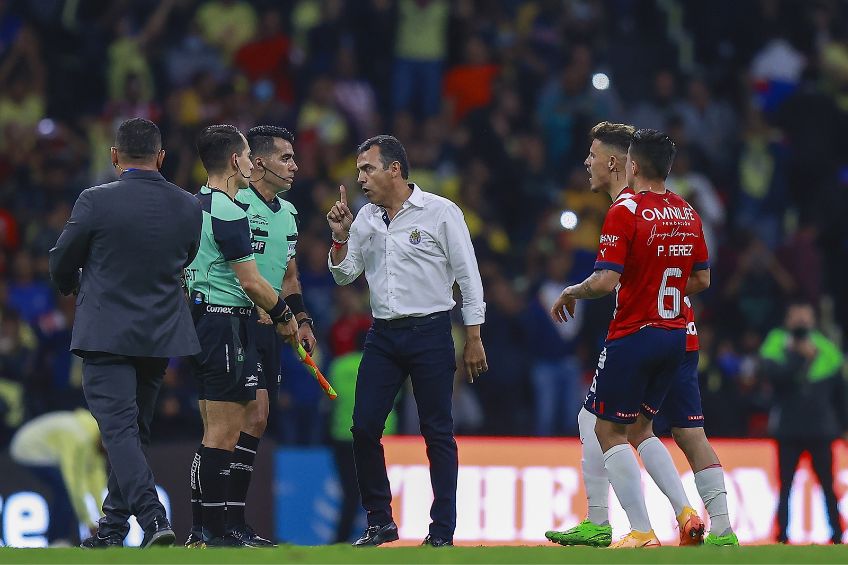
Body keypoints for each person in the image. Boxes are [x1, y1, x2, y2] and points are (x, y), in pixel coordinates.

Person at [550, 127, 710, 548]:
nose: (587, 162)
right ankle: (686, 512)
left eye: (592, 154)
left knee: (603, 427)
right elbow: (699, 277)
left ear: (619, 163)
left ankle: (630, 528)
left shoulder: (627, 209)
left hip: (637, 333)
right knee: (638, 428)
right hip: (676, 334)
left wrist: (573, 291)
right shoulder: (679, 209)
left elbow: (606, 280)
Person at [49, 117, 202, 548]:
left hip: (106, 335)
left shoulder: (96, 201)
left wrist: (70, 284)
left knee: (118, 432)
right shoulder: (189, 206)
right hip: (159, 336)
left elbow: (63, 259)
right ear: (161, 157)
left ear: (115, 156)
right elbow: (186, 256)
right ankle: (113, 530)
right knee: (133, 432)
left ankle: (153, 520)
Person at [327, 135, 487, 547]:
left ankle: (442, 530)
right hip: (383, 335)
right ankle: (379, 520)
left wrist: (473, 334)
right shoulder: (364, 219)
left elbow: (468, 275)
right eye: (359, 169)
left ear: (394, 169)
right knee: (362, 429)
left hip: (432, 331)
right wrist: (341, 237)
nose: (360, 177)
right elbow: (345, 275)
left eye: (368, 168)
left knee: (436, 431)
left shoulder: (440, 212)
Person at [184, 125, 315, 548]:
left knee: (253, 420)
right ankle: (214, 528)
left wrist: (299, 317)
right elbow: (245, 275)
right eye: (286, 157)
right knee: (227, 424)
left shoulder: (289, 213)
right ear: (254, 161)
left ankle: (225, 527)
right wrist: (270, 308)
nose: (295, 166)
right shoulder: (230, 204)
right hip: (237, 322)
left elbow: (289, 275)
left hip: (263, 323)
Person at [760, 300, 846, 545]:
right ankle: (781, 536)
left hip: (821, 428)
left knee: (828, 486)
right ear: (787, 320)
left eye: (804, 318)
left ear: (813, 321)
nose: (800, 323)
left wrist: (844, 425)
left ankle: (837, 536)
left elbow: (840, 392)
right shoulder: (776, 343)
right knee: (785, 486)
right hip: (788, 428)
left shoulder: (827, 349)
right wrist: (800, 359)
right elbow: (775, 378)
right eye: (796, 318)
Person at [10, 409, 106, 546]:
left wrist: (104, 521)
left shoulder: (96, 442)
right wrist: (89, 522)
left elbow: (96, 486)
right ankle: (57, 540)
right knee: (65, 490)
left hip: (46, 452)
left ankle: (57, 539)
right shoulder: (79, 437)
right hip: (27, 448)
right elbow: (73, 481)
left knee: (64, 491)